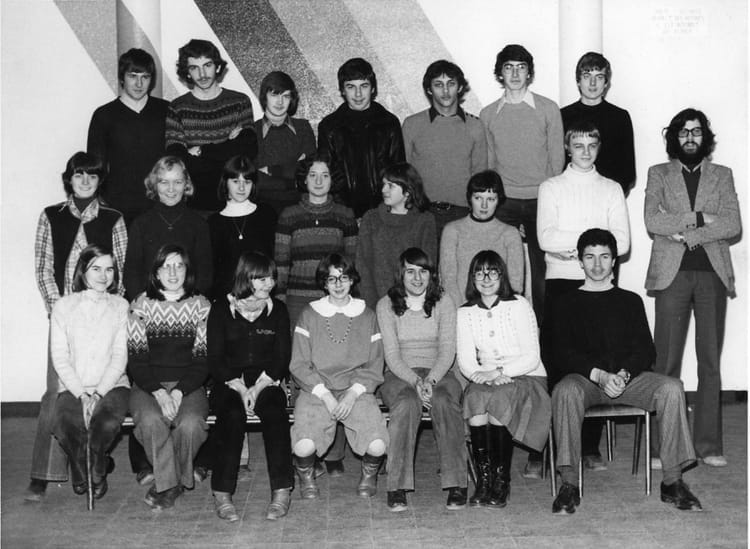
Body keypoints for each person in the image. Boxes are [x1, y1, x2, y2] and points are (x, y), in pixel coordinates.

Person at [550, 229, 702, 514]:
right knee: (565, 391)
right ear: (580, 261)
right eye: (590, 257)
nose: (597, 264)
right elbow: (560, 353)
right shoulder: (565, 303)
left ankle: (672, 481)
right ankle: (569, 483)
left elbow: (646, 350)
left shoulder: (629, 300)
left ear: (614, 261)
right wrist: (599, 375)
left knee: (672, 387)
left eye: (604, 256)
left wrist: (623, 374)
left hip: (626, 380)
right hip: (585, 381)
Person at [26, 151, 127, 502]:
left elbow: (119, 270)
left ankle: (92, 457)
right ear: (68, 179)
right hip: (64, 317)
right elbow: (43, 268)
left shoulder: (113, 218)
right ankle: (44, 473)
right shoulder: (50, 216)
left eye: (92, 175)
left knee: (99, 390)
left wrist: (104, 312)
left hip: (101, 316)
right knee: (57, 393)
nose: (85, 181)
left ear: (100, 181)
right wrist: (62, 312)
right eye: (79, 174)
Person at [644, 108, 741, 467]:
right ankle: (663, 448)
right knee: (665, 362)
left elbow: (732, 224)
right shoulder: (658, 173)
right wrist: (701, 218)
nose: (690, 138)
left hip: (712, 274)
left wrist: (687, 231)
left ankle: (708, 446)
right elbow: (652, 220)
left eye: (696, 131)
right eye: (684, 132)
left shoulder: (722, 174)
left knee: (710, 361)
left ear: (705, 137)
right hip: (672, 275)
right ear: (675, 137)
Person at [536, 120, 630, 472]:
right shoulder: (551, 187)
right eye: (578, 145)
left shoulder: (611, 188)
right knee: (559, 361)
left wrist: (572, 245)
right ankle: (555, 444)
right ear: (567, 148)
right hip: (561, 281)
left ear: (599, 148)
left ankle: (589, 444)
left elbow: (623, 243)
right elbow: (546, 238)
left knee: (600, 357)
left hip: (601, 285)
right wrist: (595, 241)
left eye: (592, 145)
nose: (585, 152)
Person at [290, 254, 388, 499]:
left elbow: (375, 364)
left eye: (343, 277)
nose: (338, 284)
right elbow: (299, 364)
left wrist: (352, 395)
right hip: (316, 389)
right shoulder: (309, 314)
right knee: (303, 445)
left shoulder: (367, 315)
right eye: (331, 279)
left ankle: (369, 474)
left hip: (356, 389)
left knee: (377, 444)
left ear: (352, 280)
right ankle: (306, 475)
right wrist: (325, 395)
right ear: (324, 283)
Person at [456, 250, 550, 508]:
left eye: (492, 272)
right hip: (486, 379)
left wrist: (499, 372)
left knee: (499, 397)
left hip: (526, 374)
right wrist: (483, 377)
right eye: (479, 273)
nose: (486, 279)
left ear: (502, 276)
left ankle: (501, 480)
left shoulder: (519, 304)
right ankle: (484, 481)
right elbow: (466, 361)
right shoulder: (464, 312)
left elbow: (532, 356)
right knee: (475, 396)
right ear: (472, 278)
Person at [479, 44, 565, 322]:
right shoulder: (488, 114)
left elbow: (557, 160)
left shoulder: (548, 109)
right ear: (500, 73)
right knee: (501, 268)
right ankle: (504, 325)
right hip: (505, 203)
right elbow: (489, 165)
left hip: (542, 200)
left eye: (521, 67)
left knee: (543, 271)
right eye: (509, 67)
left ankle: (543, 331)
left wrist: (550, 202)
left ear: (529, 73)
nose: (515, 74)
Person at [376, 248, 466, 512]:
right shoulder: (386, 305)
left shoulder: (444, 302)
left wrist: (432, 380)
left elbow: (447, 350)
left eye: (423, 271)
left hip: (441, 371)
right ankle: (396, 486)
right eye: (411, 271)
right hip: (399, 374)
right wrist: (416, 381)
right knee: (406, 403)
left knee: (444, 401)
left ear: (431, 274)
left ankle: (457, 483)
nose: (417, 278)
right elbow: (392, 355)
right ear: (401, 274)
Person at [207, 251, 293, 521]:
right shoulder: (221, 309)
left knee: (276, 414)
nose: (270, 284)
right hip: (229, 381)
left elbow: (282, 357)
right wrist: (241, 388)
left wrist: (258, 387)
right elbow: (215, 358)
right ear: (246, 278)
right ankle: (222, 492)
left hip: (267, 380)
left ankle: (282, 490)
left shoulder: (278, 310)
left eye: (272, 278)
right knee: (231, 415)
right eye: (262, 278)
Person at [128, 244, 211, 510]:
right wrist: (160, 393)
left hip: (189, 384)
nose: (173, 273)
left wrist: (177, 391)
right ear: (156, 272)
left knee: (191, 424)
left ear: (187, 271)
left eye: (179, 266)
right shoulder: (140, 304)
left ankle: (169, 480)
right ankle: (170, 484)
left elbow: (202, 361)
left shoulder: (201, 305)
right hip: (148, 385)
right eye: (166, 267)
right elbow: (137, 360)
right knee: (151, 421)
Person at [50, 245, 130, 500]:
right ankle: (86, 467)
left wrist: (97, 394)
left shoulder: (120, 305)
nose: (103, 276)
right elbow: (60, 358)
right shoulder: (64, 306)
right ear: (82, 271)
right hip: (73, 386)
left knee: (104, 423)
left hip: (113, 386)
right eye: (96, 269)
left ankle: (95, 472)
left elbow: (120, 357)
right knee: (65, 423)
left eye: (109, 269)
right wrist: (82, 395)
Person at [166, 39, 257, 213]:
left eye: (207, 65)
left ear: (217, 67)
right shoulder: (177, 107)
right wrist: (228, 147)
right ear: (187, 73)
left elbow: (247, 151)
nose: (202, 74)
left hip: (235, 202)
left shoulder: (239, 102)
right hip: (193, 205)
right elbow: (176, 159)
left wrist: (202, 151)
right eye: (194, 68)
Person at [402, 60, 487, 235]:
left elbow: (480, 175)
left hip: (463, 214)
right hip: (422, 213)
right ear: (429, 89)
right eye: (438, 85)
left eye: (451, 84)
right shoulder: (412, 125)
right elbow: (403, 175)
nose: (446, 91)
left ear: (460, 87)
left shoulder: (475, 126)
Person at [275, 152, 358, 327]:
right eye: (313, 175)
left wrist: (352, 298)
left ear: (332, 179)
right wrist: (280, 301)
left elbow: (352, 262)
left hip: (335, 298)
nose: (318, 181)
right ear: (304, 179)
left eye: (325, 175)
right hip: (297, 301)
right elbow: (281, 265)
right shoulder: (289, 215)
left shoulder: (345, 215)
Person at [87, 48, 169, 225]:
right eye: (133, 76)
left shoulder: (166, 111)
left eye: (145, 77)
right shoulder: (104, 115)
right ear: (122, 77)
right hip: (118, 207)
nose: (139, 83)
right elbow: (95, 166)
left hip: (161, 204)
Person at [318, 57, 405, 218]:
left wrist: (383, 211)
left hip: (383, 211)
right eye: (351, 87)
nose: (358, 94)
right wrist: (344, 213)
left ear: (373, 88)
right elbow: (325, 175)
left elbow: (398, 175)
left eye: (364, 86)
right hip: (342, 213)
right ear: (342, 90)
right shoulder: (329, 126)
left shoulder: (389, 123)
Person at [124, 156, 213, 300]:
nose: (171, 189)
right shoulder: (140, 224)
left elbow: (205, 275)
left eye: (178, 182)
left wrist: (186, 304)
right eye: (164, 182)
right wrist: (145, 304)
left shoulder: (199, 224)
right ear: (155, 184)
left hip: (189, 304)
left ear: (186, 185)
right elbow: (131, 273)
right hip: (148, 304)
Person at [356, 163, 437, 309]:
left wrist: (415, 305)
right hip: (376, 303)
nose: (383, 190)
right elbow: (363, 266)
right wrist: (373, 305)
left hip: (414, 304)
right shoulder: (371, 219)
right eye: (383, 184)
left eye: (391, 186)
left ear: (408, 191)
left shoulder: (425, 220)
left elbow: (427, 269)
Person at [440, 170, 524, 310]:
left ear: (498, 200)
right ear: (470, 198)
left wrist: (496, 310)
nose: (484, 205)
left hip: (500, 310)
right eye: (478, 198)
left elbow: (516, 283)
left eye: (490, 199)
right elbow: (448, 280)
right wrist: (463, 310)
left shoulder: (510, 233)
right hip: (461, 308)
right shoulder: (452, 231)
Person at [560, 52, 635, 195]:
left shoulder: (620, 117)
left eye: (599, 77)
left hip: (608, 196)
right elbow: (558, 164)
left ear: (606, 83)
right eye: (587, 76)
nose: (592, 83)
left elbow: (627, 171)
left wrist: (610, 196)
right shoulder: (562, 116)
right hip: (570, 194)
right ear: (578, 81)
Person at [208, 155, 277, 300]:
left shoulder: (267, 214)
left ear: (253, 184)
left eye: (247, 181)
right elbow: (213, 270)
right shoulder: (213, 223)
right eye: (235, 181)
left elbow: (274, 259)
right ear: (225, 183)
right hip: (226, 299)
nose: (241, 187)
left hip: (262, 297)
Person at [254, 71, 317, 215]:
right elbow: (253, 180)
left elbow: (310, 172)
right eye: (274, 95)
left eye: (286, 96)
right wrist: (292, 178)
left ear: (292, 99)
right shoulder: (251, 131)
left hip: (301, 209)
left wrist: (271, 170)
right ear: (264, 97)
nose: (280, 102)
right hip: (262, 209)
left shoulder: (303, 128)